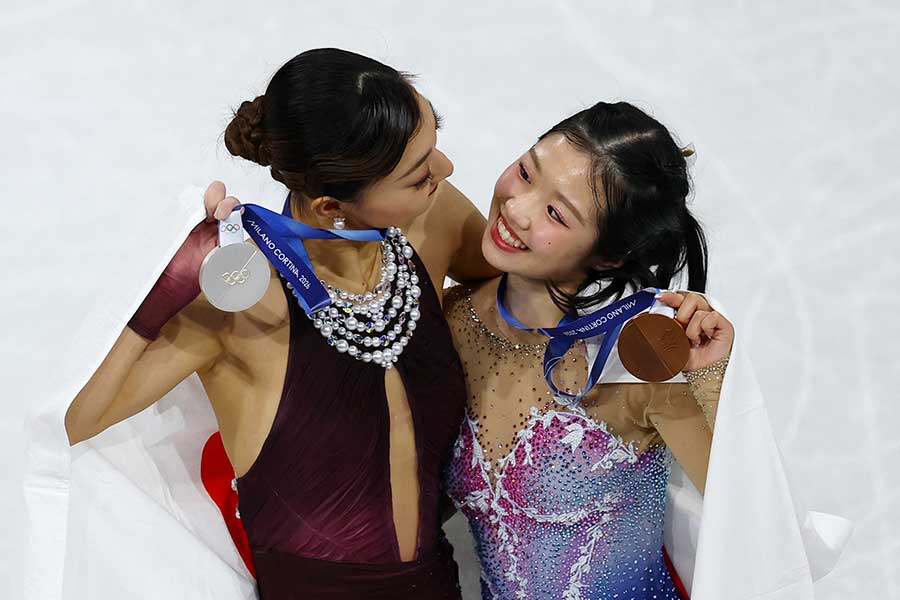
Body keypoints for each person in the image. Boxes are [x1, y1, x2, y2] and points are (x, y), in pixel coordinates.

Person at [64, 47, 496, 599]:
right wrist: (164, 293)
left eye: (435, 143)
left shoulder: (435, 222)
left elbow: (514, 294)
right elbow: (75, 422)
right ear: (330, 206)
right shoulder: (240, 304)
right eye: (418, 175)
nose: (446, 169)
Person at [441, 100, 737, 599]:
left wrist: (710, 378)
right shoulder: (452, 319)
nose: (517, 209)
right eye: (526, 171)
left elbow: (746, 516)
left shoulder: (636, 359)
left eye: (556, 213)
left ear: (609, 256)